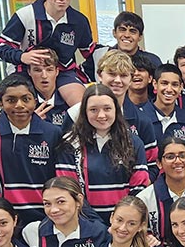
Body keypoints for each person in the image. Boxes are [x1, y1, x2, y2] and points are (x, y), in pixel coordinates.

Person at [0, 0, 94, 106]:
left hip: (62, 70)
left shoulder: (79, 21)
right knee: (19, 105)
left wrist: (86, 73)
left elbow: (90, 52)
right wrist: (22, 57)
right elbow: (0, 47)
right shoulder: (26, 15)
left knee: (82, 105)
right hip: (25, 70)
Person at [0, 73, 66, 228]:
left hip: (45, 214)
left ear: (35, 101)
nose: (19, 105)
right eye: (11, 100)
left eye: (26, 99)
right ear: (0, 103)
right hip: (4, 217)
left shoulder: (53, 132)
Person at [56, 84, 151, 225]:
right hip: (84, 223)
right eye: (93, 110)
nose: (101, 115)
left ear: (116, 110)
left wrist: (120, 222)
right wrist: (95, 225)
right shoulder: (70, 143)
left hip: (124, 225)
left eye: (107, 109)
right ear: (84, 112)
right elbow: (69, 190)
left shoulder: (133, 142)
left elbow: (139, 189)